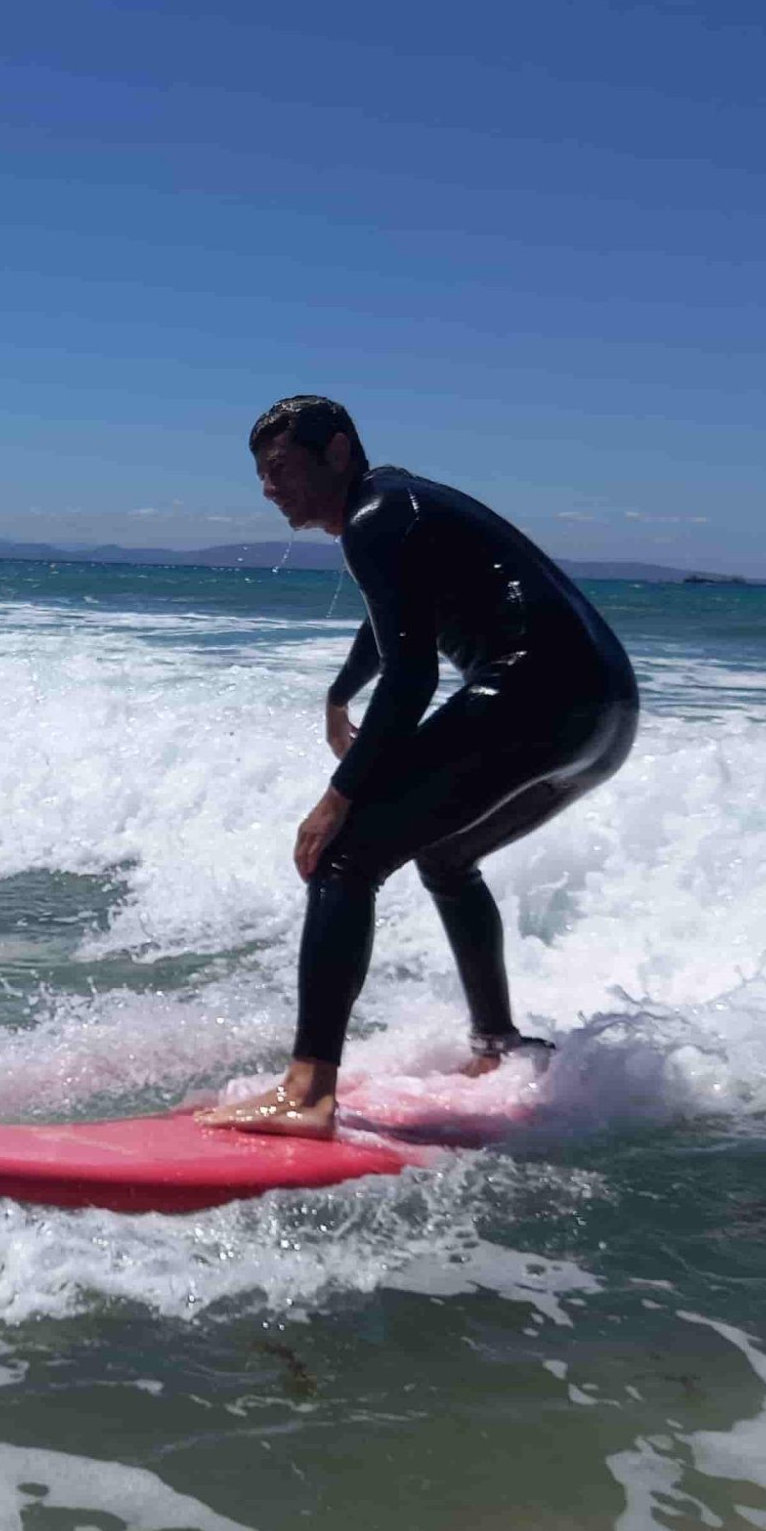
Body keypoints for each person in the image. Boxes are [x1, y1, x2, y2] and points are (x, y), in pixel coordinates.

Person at [197, 395, 639, 1139]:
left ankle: (306, 1093)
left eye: (280, 469)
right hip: (606, 713)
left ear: (337, 451)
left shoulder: (376, 518)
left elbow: (413, 679)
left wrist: (341, 796)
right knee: (445, 851)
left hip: (532, 693)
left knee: (341, 857)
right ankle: (498, 1041)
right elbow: (399, 627)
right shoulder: (397, 508)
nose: (269, 488)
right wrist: (341, 693)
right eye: (261, 476)